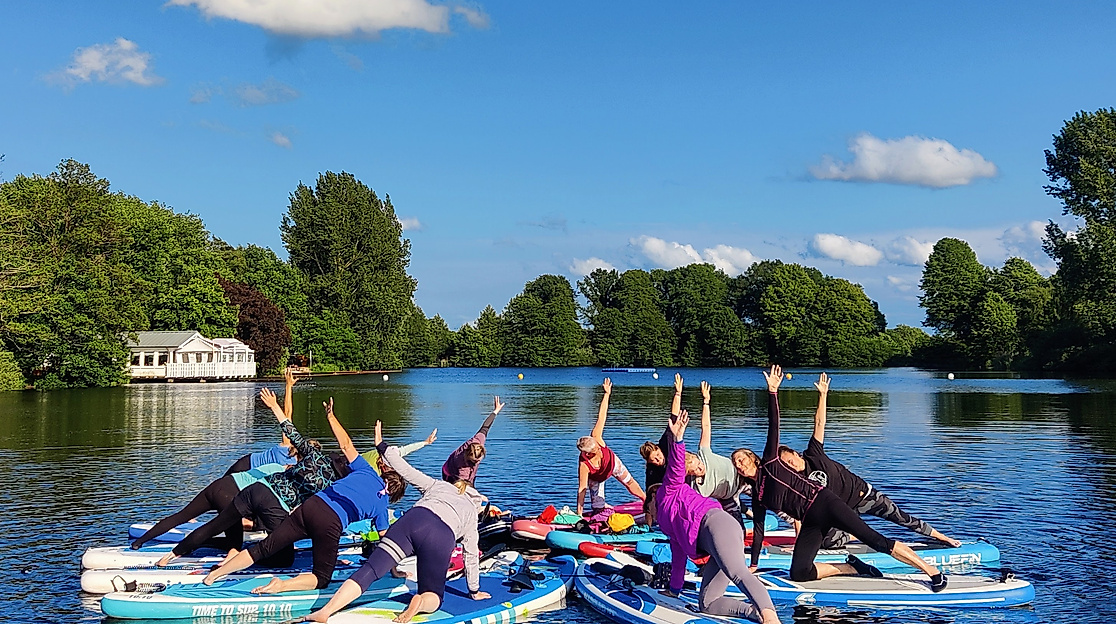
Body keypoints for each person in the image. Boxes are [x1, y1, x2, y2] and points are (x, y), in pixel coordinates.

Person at [750, 365, 947, 591]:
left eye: (743, 459)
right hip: (812, 519)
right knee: (799, 572)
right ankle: (852, 567)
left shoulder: (784, 461)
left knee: (875, 540)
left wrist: (774, 392)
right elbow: (764, 525)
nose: (789, 465)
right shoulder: (768, 488)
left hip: (829, 504)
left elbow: (785, 425)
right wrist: (753, 564)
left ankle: (932, 571)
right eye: (736, 464)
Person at [202, 402, 405, 593]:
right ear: (394, 495)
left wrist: (331, 416)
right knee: (321, 577)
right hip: (329, 523)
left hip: (309, 507)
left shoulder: (366, 470)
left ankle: (216, 574)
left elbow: (346, 445)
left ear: (384, 473)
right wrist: (394, 570)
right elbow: (385, 542)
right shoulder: (382, 503)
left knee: (264, 548)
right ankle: (281, 585)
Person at [155, 387, 353, 567]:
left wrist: (275, 405)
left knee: (215, 525)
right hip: (275, 506)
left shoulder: (314, 455)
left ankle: (171, 556)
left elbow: (292, 433)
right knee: (284, 558)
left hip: (257, 489)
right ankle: (236, 564)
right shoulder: (332, 486)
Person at [299, 444, 489, 623]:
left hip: (413, 520)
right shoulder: (471, 512)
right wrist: (474, 590)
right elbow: (470, 555)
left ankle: (326, 611)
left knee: (370, 571)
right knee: (433, 595)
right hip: (441, 535)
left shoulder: (439, 485)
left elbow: (407, 471)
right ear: (475, 499)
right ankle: (420, 602)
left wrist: (383, 448)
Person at [779, 372, 960, 549]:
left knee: (901, 517)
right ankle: (852, 534)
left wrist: (823, 394)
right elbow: (800, 515)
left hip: (863, 495)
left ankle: (942, 537)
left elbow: (819, 422)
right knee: (826, 541)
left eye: (789, 460)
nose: (790, 465)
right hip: (842, 511)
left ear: (795, 454)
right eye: (786, 465)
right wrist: (799, 543)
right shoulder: (798, 482)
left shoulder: (813, 453)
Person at [644, 410, 780, 624]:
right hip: (714, 543)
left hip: (716, 524)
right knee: (707, 603)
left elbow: (676, 467)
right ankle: (754, 613)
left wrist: (677, 440)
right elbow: (678, 560)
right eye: (649, 506)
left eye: (651, 499)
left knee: (737, 572)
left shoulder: (668, 490)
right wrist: (674, 592)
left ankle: (771, 617)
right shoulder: (667, 525)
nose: (651, 504)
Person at [130, 462, 287, 550]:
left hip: (219, 485)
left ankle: (139, 542)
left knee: (182, 516)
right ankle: (200, 543)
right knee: (234, 545)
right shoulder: (283, 478)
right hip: (230, 497)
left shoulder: (273, 465)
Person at [685, 379, 751, 528]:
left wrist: (706, 402)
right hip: (728, 497)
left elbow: (706, 426)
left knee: (770, 498)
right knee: (738, 529)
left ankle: (799, 524)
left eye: (698, 464)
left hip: (743, 476)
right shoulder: (696, 489)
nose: (699, 468)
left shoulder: (704, 453)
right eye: (694, 470)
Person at [576, 378, 646, 516]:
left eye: (597, 445)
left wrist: (607, 394)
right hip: (597, 477)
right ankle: (602, 510)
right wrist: (579, 514)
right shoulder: (584, 465)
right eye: (595, 449)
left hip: (612, 464)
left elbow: (602, 416)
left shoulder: (596, 437)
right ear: (588, 454)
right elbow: (582, 488)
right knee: (598, 509)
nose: (598, 447)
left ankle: (647, 500)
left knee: (630, 483)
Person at [224, 368, 301, 475]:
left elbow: (288, 413)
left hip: (248, 463)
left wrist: (289, 386)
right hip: (248, 466)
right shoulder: (288, 448)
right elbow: (287, 414)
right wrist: (288, 387)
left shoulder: (289, 450)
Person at [441, 396, 503, 485]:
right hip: (450, 474)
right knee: (458, 494)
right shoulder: (462, 467)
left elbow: (485, 427)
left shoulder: (477, 441)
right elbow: (463, 485)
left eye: (479, 459)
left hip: (466, 474)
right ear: (469, 456)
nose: (478, 461)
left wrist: (495, 411)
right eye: (475, 460)